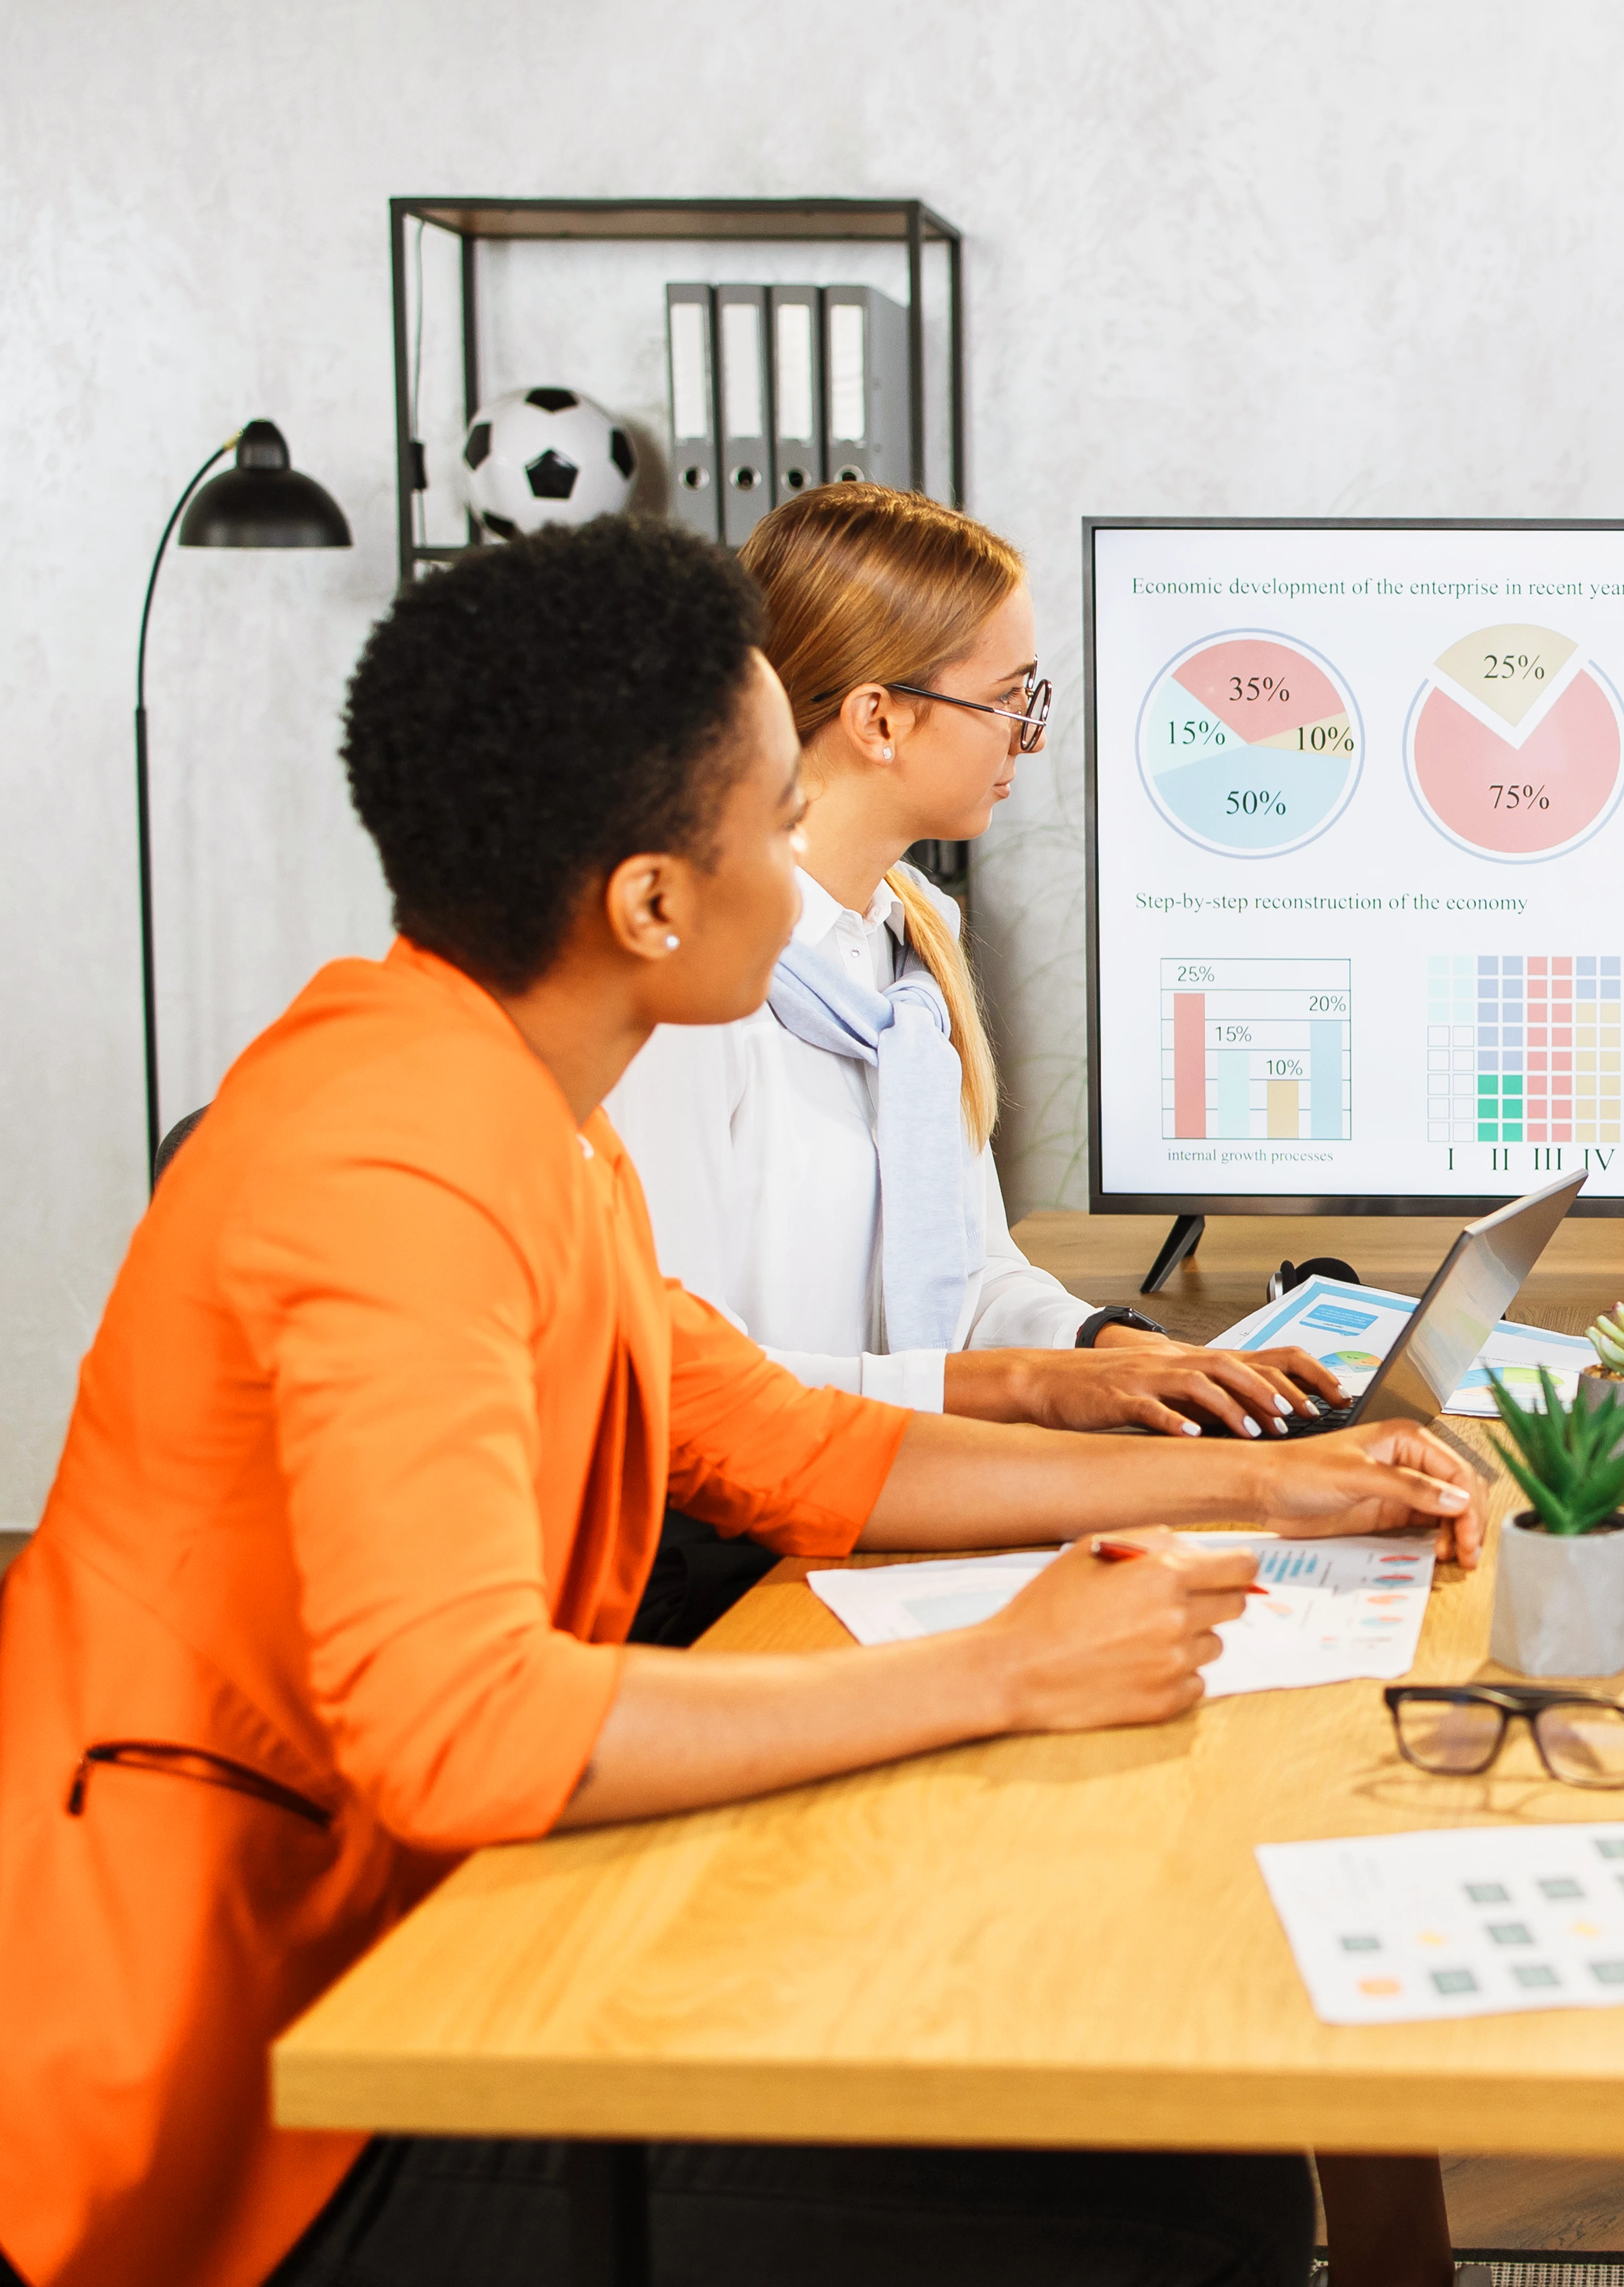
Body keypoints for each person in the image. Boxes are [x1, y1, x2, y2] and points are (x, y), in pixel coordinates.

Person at [0, 518, 1484, 2287]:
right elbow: (465, 1729)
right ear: (649, 901)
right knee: (1184, 2209)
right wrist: (1000, 1671)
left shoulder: (512, 1109)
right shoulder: (393, 1164)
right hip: (260, 2108)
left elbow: (800, 1449)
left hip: (430, 1961)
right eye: (778, 821)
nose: (813, 878)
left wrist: (1278, 1494)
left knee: (1174, 2160)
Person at [607, 481, 1342, 1641]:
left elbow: (977, 1282)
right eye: (1011, 699)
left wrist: (1115, 1352)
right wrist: (1029, 1386)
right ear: (879, 718)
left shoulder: (910, 939)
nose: (1029, 736)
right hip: (738, 1567)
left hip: (902, 1505)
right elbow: (694, 1400)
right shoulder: (692, 989)